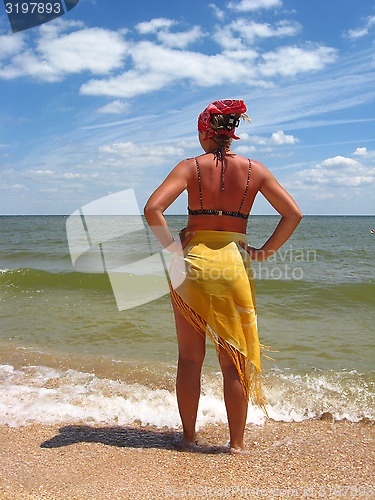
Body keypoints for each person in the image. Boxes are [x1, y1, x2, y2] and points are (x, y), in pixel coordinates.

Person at [144, 99, 302, 453]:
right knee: (234, 361)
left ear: (205, 132)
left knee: (189, 358)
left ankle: (187, 438)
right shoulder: (254, 170)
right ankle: (236, 444)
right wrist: (263, 252)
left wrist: (172, 248)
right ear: (232, 134)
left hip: (191, 264)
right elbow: (293, 214)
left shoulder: (189, 167)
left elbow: (152, 208)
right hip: (233, 267)